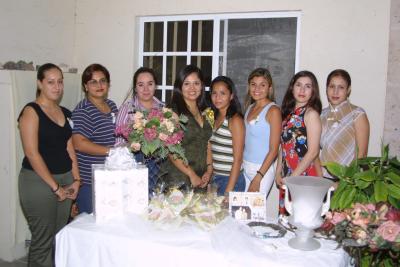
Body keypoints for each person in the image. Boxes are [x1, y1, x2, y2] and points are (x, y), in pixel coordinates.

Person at [18, 63, 80, 266]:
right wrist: (55, 187)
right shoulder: (31, 111)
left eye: (60, 82)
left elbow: (70, 148)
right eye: (51, 82)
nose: (57, 87)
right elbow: (32, 153)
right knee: (43, 240)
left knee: (58, 237)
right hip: (39, 181)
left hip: (65, 178)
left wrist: (76, 180)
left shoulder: (65, 112)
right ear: (40, 83)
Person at [72, 64, 118, 214]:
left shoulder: (112, 105)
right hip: (90, 183)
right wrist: (111, 152)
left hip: (111, 179)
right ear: (86, 86)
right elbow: (78, 143)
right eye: (93, 82)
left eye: (103, 81)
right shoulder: (83, 110)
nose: (99, 85)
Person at [276, 70, 322, 215]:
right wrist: (278, 173)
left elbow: (313, 151)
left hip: (303, 177)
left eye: (307, 86)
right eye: (298, 85)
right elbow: (282, 147)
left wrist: (293, 177)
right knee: (286, 221)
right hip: (288, 176)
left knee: (301, 221)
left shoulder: (311, 114)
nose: (302, 90)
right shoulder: (287, 115)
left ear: (313, 91)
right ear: (292, 88)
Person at [159, 65, 212, 191]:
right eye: (187, 83)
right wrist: (191, 174)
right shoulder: (172, 112)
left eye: (196, 83)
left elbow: (208, 143)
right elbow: (171, 150)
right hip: (178, 179)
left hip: (201, 178)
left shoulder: (206, 111)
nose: (192, 88)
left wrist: (209, 170)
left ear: (202, 86)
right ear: (180, 87)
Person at [115, 67, 164, 195]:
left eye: (150, 84)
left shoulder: (163, 108)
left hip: (159, 167)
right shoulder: (127, 108)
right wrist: (133, 145)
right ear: (135, 88)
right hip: (133, 165)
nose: (146, 89)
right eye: (141, 85)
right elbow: (118, 142)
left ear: (155, 86)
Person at [320, 69, 370, 177]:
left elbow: (361, 156)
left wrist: (343, 183)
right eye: (332, 86)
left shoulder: (357, 114)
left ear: (348, 90)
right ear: (326, 88)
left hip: (347, 181)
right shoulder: (321, 115)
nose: (335, 92)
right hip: (322, 180)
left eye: (341, 87)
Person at [243, 68, 282, 195]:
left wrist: (259, 176)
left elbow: (274, 149)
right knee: (240, 212)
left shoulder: (273, 111)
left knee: (253, 212)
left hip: (261, 170)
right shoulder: (249, 108)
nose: (257, 89)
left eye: (262, 85)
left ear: (269, 88)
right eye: (253, 84)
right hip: (244, 166)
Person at [209, 76, 246, 196]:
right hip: (216, 178)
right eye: (214, 93)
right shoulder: (214, 117)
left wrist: (228, 191)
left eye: (222, 93)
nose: (217, 97)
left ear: (231, 96)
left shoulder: (235, 120)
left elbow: (238, 159)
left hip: (231, 180)